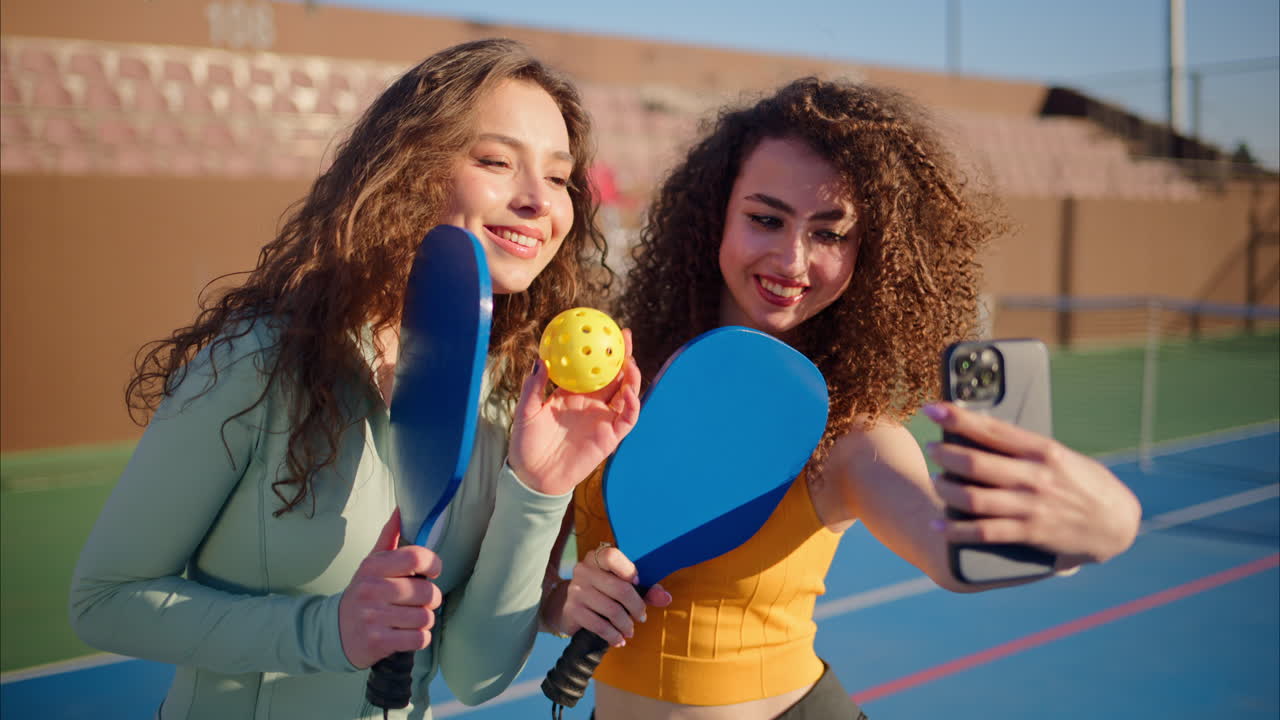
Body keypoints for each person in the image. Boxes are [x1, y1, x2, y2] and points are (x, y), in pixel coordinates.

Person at [68, 38, 642, 720]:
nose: (537, 202)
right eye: (495, 161)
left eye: (558, 176)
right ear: (411, 169)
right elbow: (104, 601)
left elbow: (474, 674)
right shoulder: (263, 358)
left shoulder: (511, 394)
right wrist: (329, 633)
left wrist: (539, 491)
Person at [538, 77, 1143, 719]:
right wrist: (564, 602)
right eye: (766, 219)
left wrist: (1103, 525)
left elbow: (954, 551)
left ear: (868, 253)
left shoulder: (851, 438)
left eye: (830, 234)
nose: (793, 260)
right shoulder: (613, 384)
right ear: (716, 215)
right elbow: (533, 579)